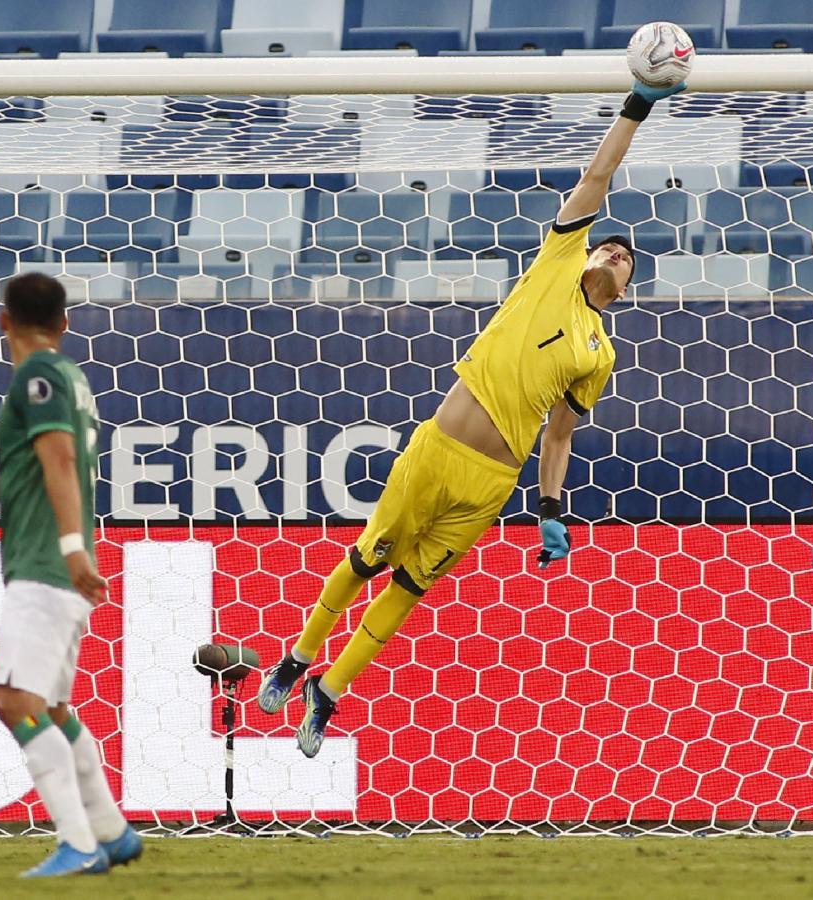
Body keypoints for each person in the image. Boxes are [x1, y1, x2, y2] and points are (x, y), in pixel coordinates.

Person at [256, 78, 686, 758]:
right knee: (371, 557)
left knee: (408, 588)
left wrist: (548, 505)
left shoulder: (599, 351)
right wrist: (638, 104)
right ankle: (298, 656)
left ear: (629, 288)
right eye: (608, 247)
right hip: (439, 450)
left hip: (492, 483)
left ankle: (328, 692)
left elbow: (560, 433)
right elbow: (598, 174)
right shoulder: (554, 265)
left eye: (627, 258)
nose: (614, 253)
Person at [0, 272, 142, 877]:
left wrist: (73, 549)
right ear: (64, 324)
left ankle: (79, 844)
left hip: (47, 566)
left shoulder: (37, 376)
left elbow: (59, 460)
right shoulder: (72, 379)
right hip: (58, 565)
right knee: (49, 706)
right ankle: (112, 830)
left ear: (3, 321)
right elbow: (45, 470)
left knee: (14, 700)